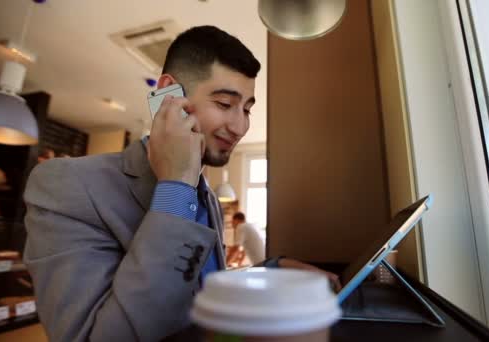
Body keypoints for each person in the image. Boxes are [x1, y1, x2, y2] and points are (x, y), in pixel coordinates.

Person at [23, 26, 339, 341]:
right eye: (225, 104)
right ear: (168, 96)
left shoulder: (206, 197)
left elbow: (194, 284)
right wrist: (175, 186)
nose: (240, 125)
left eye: (246, 109)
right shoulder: (65, 185)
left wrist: (273, 270)